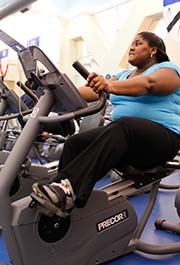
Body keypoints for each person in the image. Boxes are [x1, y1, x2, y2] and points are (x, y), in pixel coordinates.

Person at [31, 31, 180, 218]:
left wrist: (109, 86)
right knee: (75, 143)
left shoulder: (168, 69)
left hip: (162, 140)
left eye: (138, 43)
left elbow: (149, 84)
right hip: (126, 141)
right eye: (132, 43)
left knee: (122, 126)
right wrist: (54, 91)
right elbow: (89, 92)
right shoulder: (123, 75)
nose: (131, 47)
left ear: (153, 50)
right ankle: (61, 200)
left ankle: (68, 190)